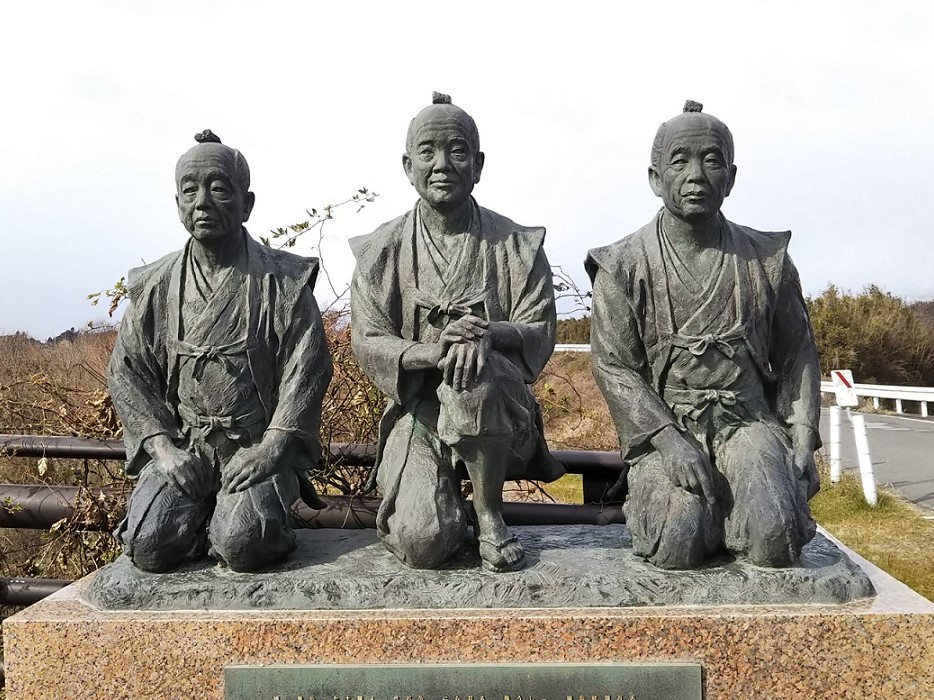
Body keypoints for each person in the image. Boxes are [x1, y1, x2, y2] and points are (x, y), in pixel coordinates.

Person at [585, 101, 821, 569]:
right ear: (656, 178)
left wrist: (802, 434)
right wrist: (669, 440)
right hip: (667, 429)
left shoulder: (765, 260)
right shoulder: (623, 265)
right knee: (679, 538)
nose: (696, 174)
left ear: (730, 177)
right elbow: (614, 365)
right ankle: (692, 514)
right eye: (680, 160)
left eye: (711, 160)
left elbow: (797, 353)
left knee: (774, 539)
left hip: (746, 423)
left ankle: (744, 514)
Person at [350, 93, 563, 572]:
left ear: (479, 164)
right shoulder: (380, 252)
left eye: (458, 151)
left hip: (501, 410)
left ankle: (490, 517)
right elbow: (367, 340)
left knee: (473, 373)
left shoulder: (517, 246)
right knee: (423, 543)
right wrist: (433, 353)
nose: (442, 164)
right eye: (427, 152)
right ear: (408, 165)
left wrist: (485, 335)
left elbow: (539, 327)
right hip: (419, 410)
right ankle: (438, 507)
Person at [109, 130, 332, 573]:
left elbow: (307, 371)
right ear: (177, 205)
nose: (202, 202)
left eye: (218, 188)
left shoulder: (282, 281)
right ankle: (198, 522)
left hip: (254, 449)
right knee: (150, 545)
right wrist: (163, 449)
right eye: (189, 190)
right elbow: (127, 372)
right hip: (185, 451)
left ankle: (240, 523)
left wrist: (271, 449)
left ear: (246, 203)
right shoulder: (156, 286)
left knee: (245, 544)